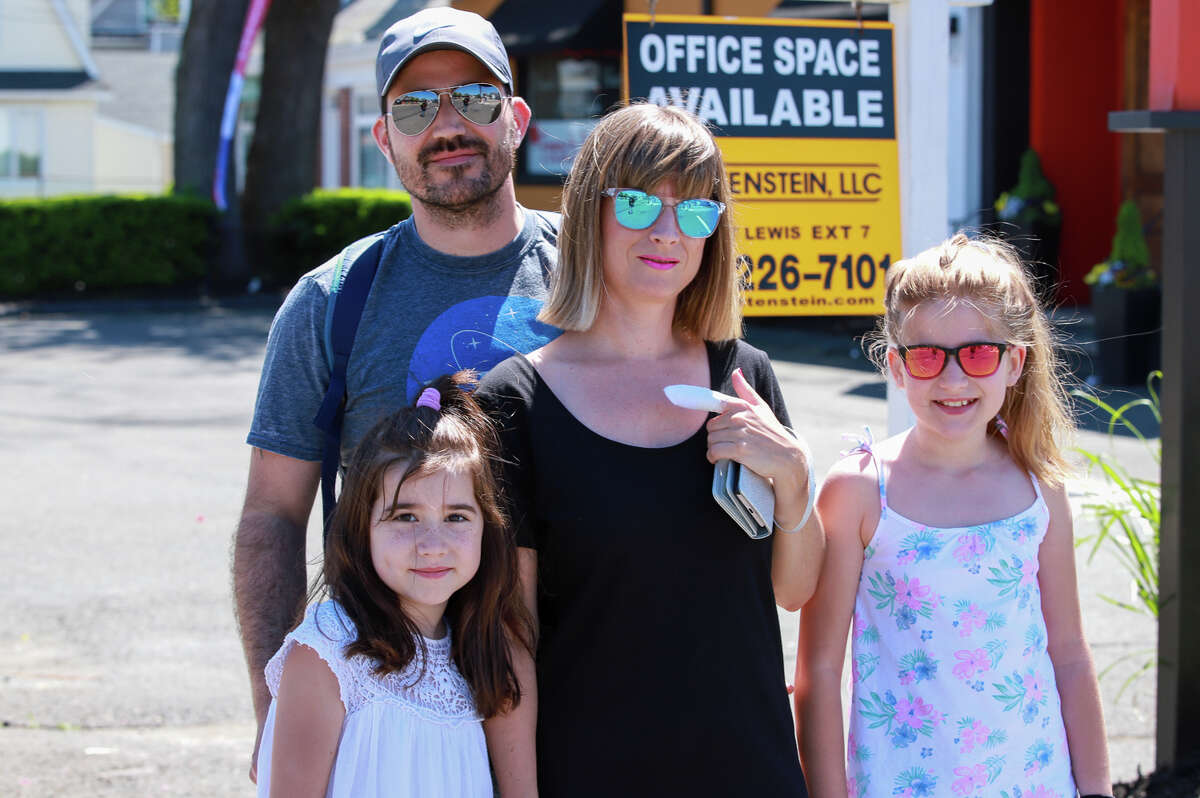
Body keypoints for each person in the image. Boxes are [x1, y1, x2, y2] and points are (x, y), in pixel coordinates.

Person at [233, 7, 554, 788]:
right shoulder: (331, 301)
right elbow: (272, 516)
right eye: (415, 107)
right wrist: (276, 705)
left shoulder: (595, 279)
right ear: (384, 138)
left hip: (588, 691)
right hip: (393, 711)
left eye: (474, 99)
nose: (446, 124)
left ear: (516, 118)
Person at [476, 103, 824, 796]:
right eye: (637, 204)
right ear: (588, 213)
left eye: (697, 211)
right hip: (589, 770)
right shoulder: (514, 401)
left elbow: (793, 589)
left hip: (747, 769)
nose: (669, 231)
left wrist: (794, 480)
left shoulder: (742, 375)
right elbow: (509, 644)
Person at [795, 234, 1113, 798]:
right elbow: (818, 674)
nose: (953, 378)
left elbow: (1068, 654)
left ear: (1015, 362)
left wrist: (1096, 790)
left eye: (978, 352)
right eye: (926, 356)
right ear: (895, 366)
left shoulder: (1039, 487)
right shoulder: (860, 492)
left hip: (1037, 783)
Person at [254, 372, 533, 798]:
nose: (433, 545)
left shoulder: (478, 650)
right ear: (361, 527)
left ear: (486, 530)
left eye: (457, 517)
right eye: (405, 517)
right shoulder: (328, 651)